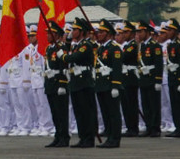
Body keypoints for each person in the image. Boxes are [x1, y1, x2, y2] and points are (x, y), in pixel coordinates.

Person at [66, 18, 98, 148]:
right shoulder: (77, 45)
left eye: (75, 30)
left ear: (82, 31)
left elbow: (75, 57)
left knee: (86, 111)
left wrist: (63, 56)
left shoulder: (86, 45)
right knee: (79, 111)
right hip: (76, 82)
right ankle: (83, 137)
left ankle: (89, 138)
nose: (72, 32)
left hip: (84, 82)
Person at [93, 21, 123, 148]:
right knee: (105, 113)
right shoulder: (101, 49)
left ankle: (115, 138)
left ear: (109, 34)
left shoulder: (114, 48)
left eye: (101, 32)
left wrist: (115, 85)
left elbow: (117, 68)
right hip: (101, 85)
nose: (98, 35)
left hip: (110, 85)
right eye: (98, 32)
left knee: (113, 113)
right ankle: (109, 136)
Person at [42, 23, 70, 147]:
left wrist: (62, 84)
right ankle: (58, 136)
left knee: (62, 113)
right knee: (54, 113)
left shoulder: (62, 48)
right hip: (50, 83)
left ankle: (64, 137)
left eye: (50, 33)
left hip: (59, 83)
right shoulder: (49, 48)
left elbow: (64, 67)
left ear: (57, 35)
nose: (47, 35)